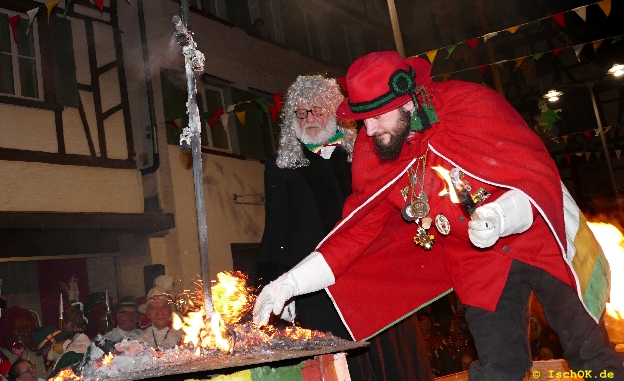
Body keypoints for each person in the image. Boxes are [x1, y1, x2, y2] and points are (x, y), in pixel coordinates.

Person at [254, 51, 624, 380]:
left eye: (377, 117)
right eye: (363, 120)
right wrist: (289, 283)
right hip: (476, 260)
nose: (369, 131)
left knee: (591, 357)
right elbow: (354, 232)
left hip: (541, 238)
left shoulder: (471, 105)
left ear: (407, 102)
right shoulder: (374, 149)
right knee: (498, 370)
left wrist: (499, 216)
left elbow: (536, 178)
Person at [256, 75, 432, 381]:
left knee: (392, 359)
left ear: (335, 113)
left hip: (375, 275)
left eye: (317, 110)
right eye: (301, 112)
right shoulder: (280, 166)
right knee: (343, 365)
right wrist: (279, 282)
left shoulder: (365, 153)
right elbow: (276, 230)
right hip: (317, 289)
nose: (309, 119)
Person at [0, 307, 46, 380]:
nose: (25, 333)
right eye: (19, 329)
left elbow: (44, 377)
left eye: (28, 328)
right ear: (8, 329)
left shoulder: (35, 353)